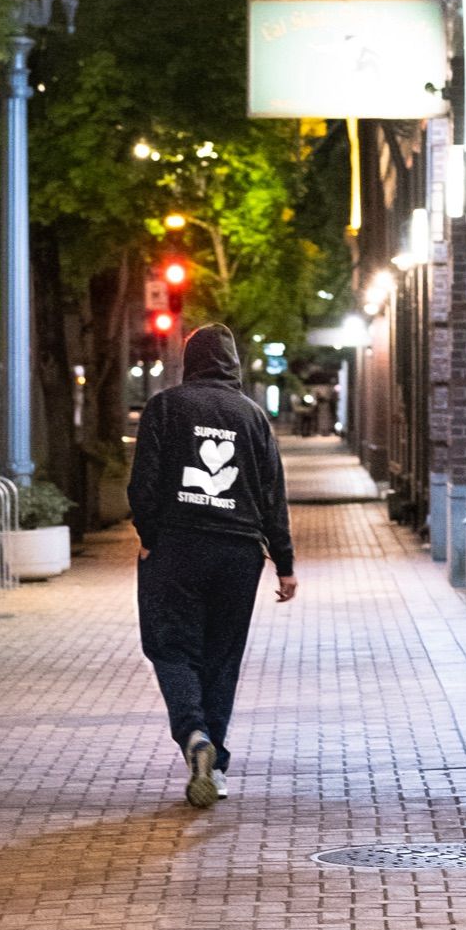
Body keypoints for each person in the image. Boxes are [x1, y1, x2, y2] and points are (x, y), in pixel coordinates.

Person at [129, 323, 296, 808]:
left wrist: (150, 536)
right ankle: (215, 767)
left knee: (171, 647)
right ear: (234, 363)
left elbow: (144, 483)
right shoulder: (253, 417)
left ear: (190, 361)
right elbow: (273, 497)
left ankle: (194, 735)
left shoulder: (165, 406)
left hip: (178, 547)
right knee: (222, 659)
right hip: (239, 552)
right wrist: (284, 563)